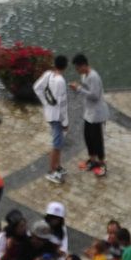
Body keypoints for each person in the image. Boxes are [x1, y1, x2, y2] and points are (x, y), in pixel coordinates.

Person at [34, 54, 71, 184]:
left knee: (59, 142)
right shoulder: (61, 81)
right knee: (56, 144)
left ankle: (58, 167)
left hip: (49, 113)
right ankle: (52, 171)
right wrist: (65, 122)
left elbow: (37, 87)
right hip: (57, 117)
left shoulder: (48, 74)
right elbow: (62, 104)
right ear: (65, 66)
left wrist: (45, 102)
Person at [74, 55, 110, 178]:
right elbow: (86, 90)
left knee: (97, 138)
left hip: (97, 113)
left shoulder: (94, 77)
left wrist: (78, 88)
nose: (77, 70)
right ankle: (92, 160)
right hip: (88, 111)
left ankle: (101, 163)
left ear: (84, 65)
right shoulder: (84, 75)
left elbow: (95, 95)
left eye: (78, 68)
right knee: (88, 136)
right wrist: (79, 87)